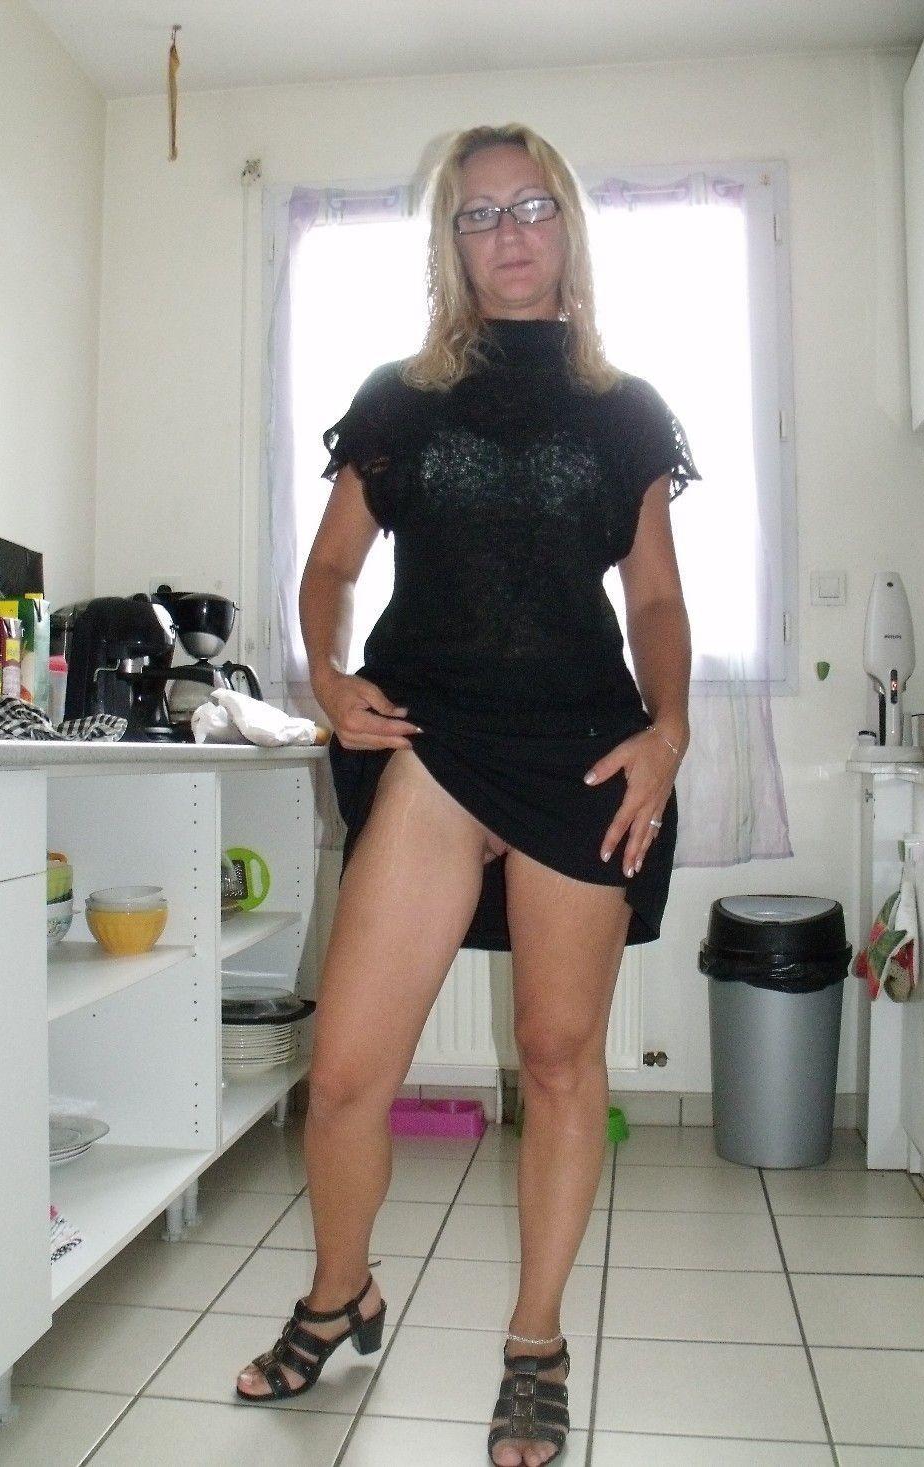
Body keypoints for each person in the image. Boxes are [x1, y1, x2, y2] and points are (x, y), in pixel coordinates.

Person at [235, 122, 698, 1467]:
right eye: (480, 213)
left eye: (532, 206)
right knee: (342, 1078)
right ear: (451, 241)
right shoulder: (399, 398)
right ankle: (340, 1295)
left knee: (556, 1065)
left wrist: (671, 728)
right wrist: (328, 672)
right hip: (430, 742)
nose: (509, 234)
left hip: (584, 752)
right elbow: (331, 568)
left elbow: (655, 598)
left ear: (568, 227)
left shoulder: (626, 410)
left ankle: (536, 1345)